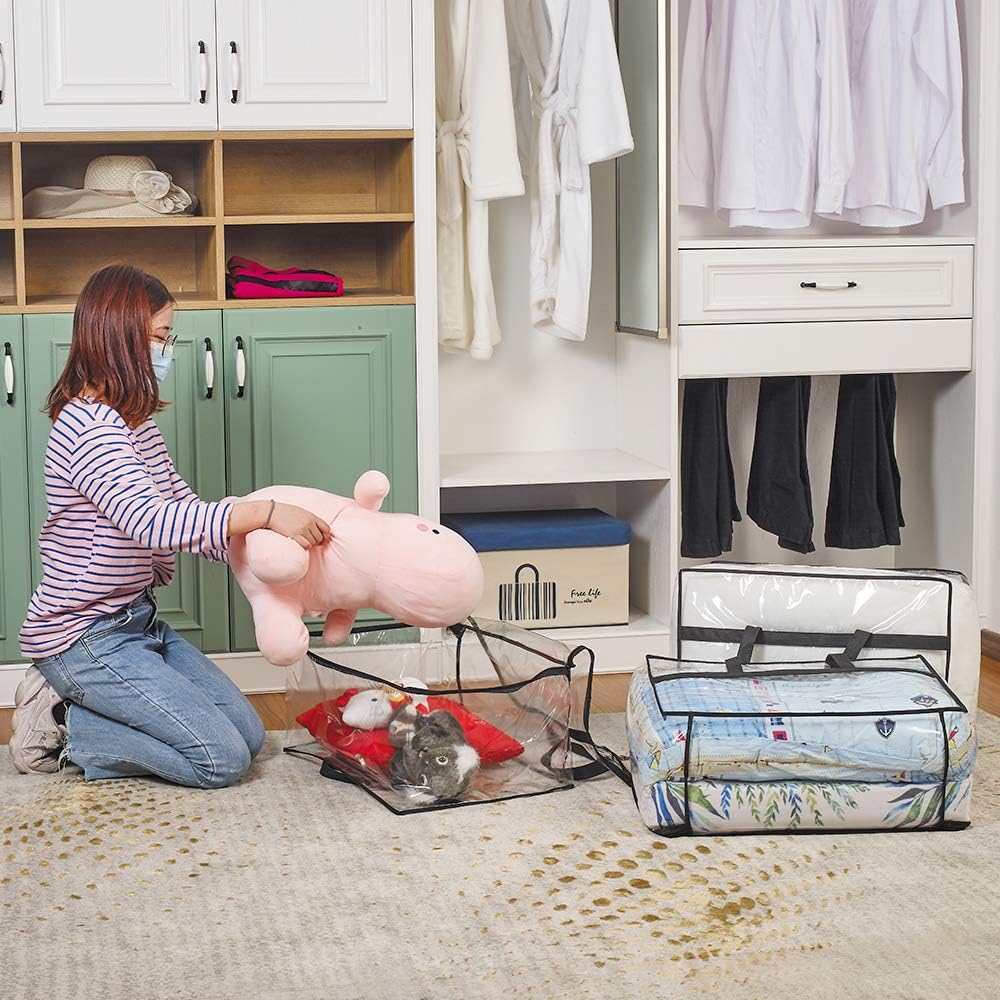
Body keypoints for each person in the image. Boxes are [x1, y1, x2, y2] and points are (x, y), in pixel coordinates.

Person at [9, 264, 331, 787]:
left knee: (250, 736)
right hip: (86, 637)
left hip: (136, 621)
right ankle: (62, 725)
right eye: (161, 336)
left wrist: (271, 561)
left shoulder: (134, 423)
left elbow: (181, 505)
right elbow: (154, 522)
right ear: (120, 337)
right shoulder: (90, 429)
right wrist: (265, 512)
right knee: (220, 760)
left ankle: (105, 707)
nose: (168, 349)